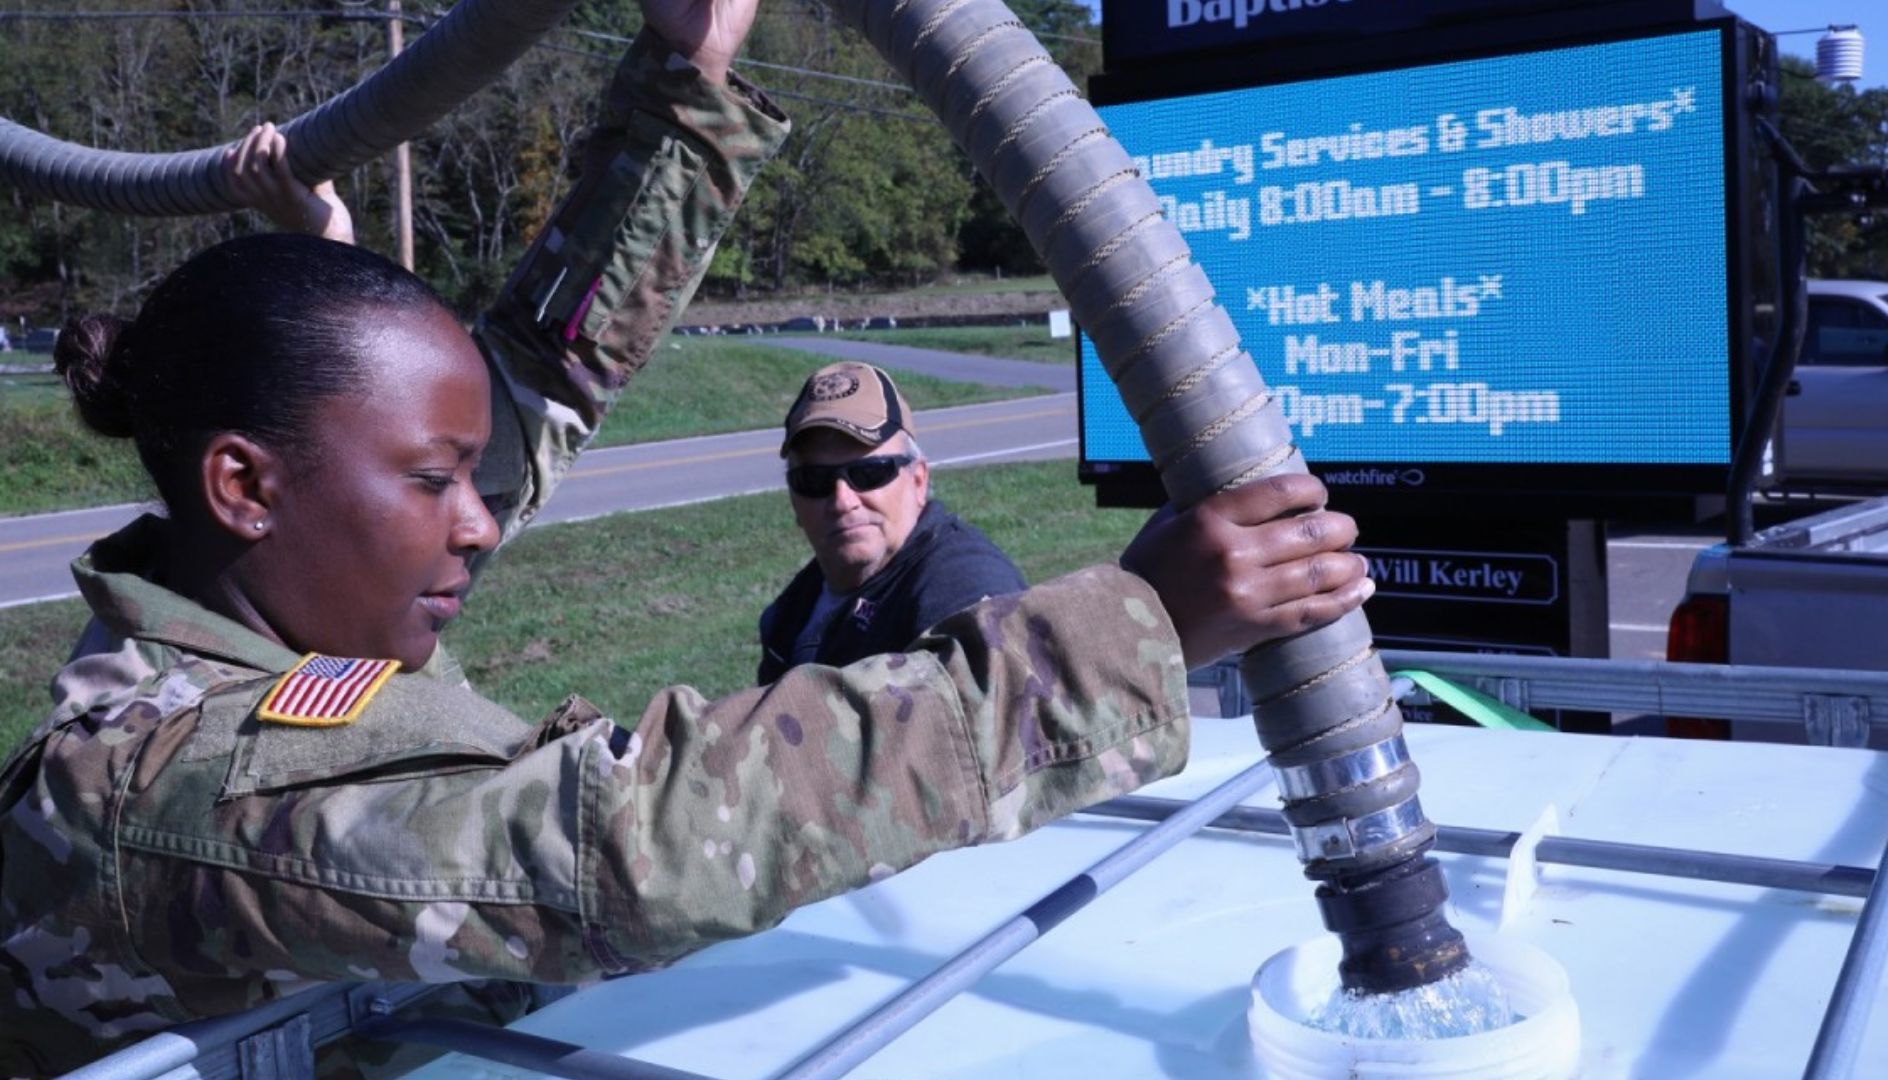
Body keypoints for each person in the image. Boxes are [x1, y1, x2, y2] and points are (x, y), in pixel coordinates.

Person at [0, 5, 1375, 1074]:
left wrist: (686, 83)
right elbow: (609, 849)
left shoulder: (253, 602)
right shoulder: (174, 783)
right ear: (247, 485)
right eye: (432, 483)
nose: (479, 520)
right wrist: (1129, 638)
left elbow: (538, 368)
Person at [758, 360, 1027, 682]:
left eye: (869, 473)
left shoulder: (961, 586)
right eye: (814, 480)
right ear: (793, 498)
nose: (843, 501)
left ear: (918, 482)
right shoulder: (795, 607)